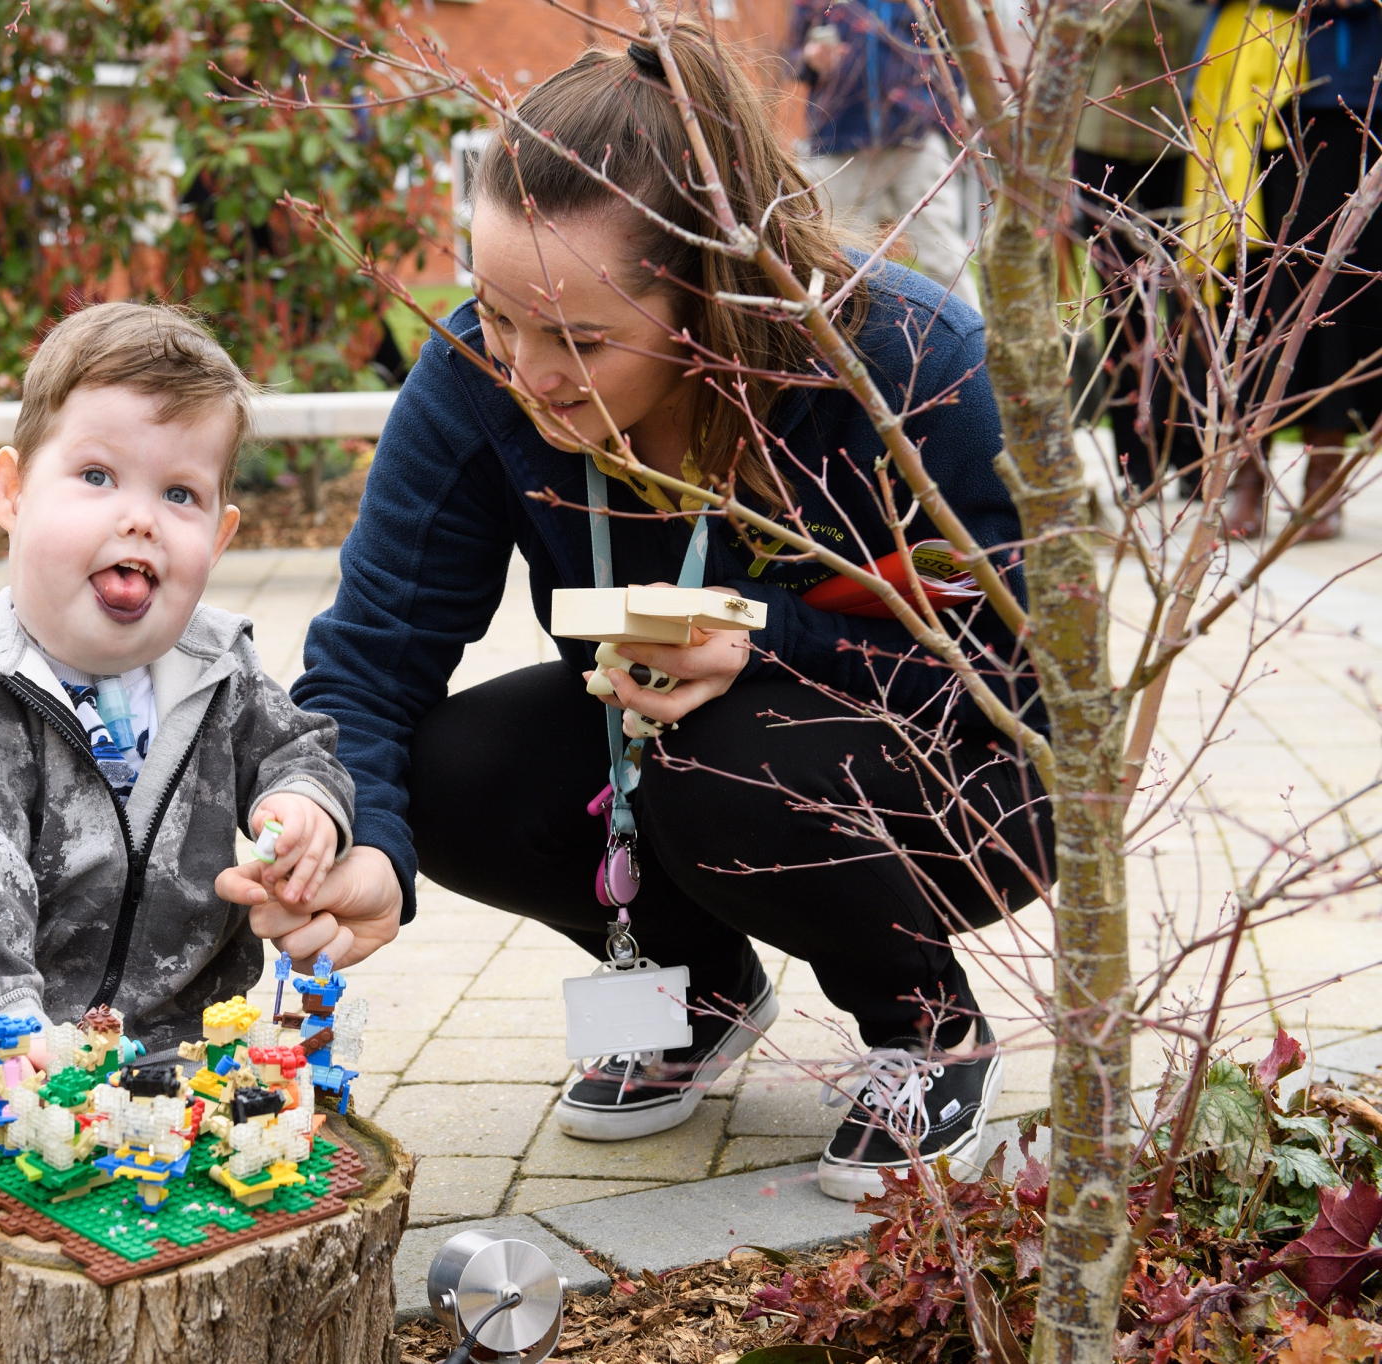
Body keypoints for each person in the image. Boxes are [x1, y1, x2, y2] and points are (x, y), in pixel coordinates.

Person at [271, 30, 1052, 1202]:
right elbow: (368, 665)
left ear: (708, 299)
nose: (526, 371)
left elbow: (1021, 685)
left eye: (578, 339)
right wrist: (360, 834)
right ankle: (693, 994)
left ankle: (927, 1027)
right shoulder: (479, 380)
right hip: (669, 752)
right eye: (497, 315)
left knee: (717, 759)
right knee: (442, 771)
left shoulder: (905, 362)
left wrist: (771, 636)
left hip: (958, 779)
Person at [0, 302, 354, 1102]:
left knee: (270, 1147)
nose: (139, 519)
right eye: (97, 477)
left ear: (220, 538)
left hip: (183, 1049)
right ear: (13, 492)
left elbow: (298, 747)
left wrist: (303, 806)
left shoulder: (217, 668)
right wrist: (9, 1037)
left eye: (180, 494)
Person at [1220, 0, 1382, 539]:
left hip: (1372, 106)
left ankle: (1323, 478)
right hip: (1272, 103)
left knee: (1351, 300)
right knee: (1267, 298)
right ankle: (1247, 478)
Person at [1073, 0, 1210, 491]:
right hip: (1102, 138)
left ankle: (1193, 457)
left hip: (1183, 137)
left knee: (1190, 305)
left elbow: (1188, 29)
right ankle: (1137, 464)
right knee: (1121, 308)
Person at [791, 0, 979, 308]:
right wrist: (810, 59)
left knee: (946, 256)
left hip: (914, 143)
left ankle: (974, 336)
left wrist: (936, 115)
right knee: (837, 260)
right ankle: (832, 336)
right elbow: (792, 57)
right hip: (840, 143)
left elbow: (954, 56)